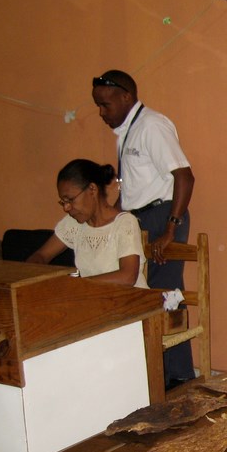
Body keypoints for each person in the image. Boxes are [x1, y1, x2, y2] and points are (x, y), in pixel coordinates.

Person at [92, 69, 196, 387]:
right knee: (148, 296)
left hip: (163, 216)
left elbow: (184, 176)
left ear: (126, 96)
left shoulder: (152, 125)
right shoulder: (128, 131)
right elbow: (134, 189)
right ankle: (156, 372)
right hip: (139, 219)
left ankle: (178, 375)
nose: (101, 112)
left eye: (106, 104)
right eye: (98, 105)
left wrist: (170, 229)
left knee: (166, 296)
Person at [26, 159, 148, 288]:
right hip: (92, 296)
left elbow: (128, 277)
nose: (66, 208)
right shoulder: (73, 223)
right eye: (63, 202)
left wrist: (77, 284)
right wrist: (29, 271)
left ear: (92, 189)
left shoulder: (124, 223)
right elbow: (42, 255)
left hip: (129, 298)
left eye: (70, 200)